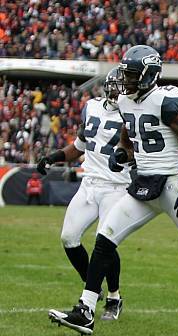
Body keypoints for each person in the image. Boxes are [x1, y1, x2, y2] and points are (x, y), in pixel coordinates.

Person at [48, 45, 178, 336]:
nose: (125, 80)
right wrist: (122, 154)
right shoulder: (127, 102)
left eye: (131, 74)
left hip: (171, 184)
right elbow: (128, 139)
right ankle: (85, 310)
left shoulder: (166, 102)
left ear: (147, 75)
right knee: (104, 239)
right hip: (143, 183)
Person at [41, 68, 130, 321]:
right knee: (69, 237)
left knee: (106, 242)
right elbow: (80, 145)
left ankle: (114, 297)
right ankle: (93, 283)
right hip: (90, 183)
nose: (118, 91)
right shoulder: (91, 107)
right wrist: (54, 157)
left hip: (116, 186)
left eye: (122, 87)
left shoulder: (133, 111)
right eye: (115, 86)